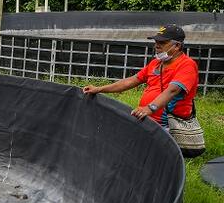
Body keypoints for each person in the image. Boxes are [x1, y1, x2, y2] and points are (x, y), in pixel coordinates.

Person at [82, 24, 203, 157]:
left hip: (167, 125)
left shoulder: (187, 65)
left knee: (148, 157)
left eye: (162, 42)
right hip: (146, 120)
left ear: (177, 46)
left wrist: (149, 108)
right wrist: (99, 89)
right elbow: (131, 81)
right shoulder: (155, 64)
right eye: (156, 42)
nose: (157, 45)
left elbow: (173, 90)